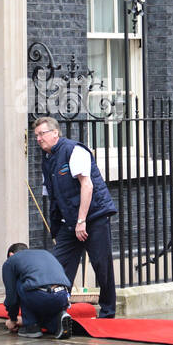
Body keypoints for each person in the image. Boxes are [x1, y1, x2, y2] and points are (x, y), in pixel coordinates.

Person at [33, 116, 119, 318]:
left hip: (93, 216)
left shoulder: (74, 150)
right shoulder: (47, 160)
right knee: (58, 266)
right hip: (69, 222)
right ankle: (59, 308)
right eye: (36, 135)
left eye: (42, 134)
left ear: (55, 133)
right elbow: (53, 197)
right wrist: (58, 226)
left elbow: (87, 186)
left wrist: (82, 221)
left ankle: (108, 311)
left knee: (101, 264)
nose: (38, 139)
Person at [1, 242, 73, 340]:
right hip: (64, 296)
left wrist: (13, 319)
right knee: (45, 312)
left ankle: (31, 327)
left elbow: (11, 297)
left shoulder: (10, 261)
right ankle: (57, 322)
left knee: (19, 282)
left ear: (11, 255)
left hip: (41, 295)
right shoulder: (45, 253)